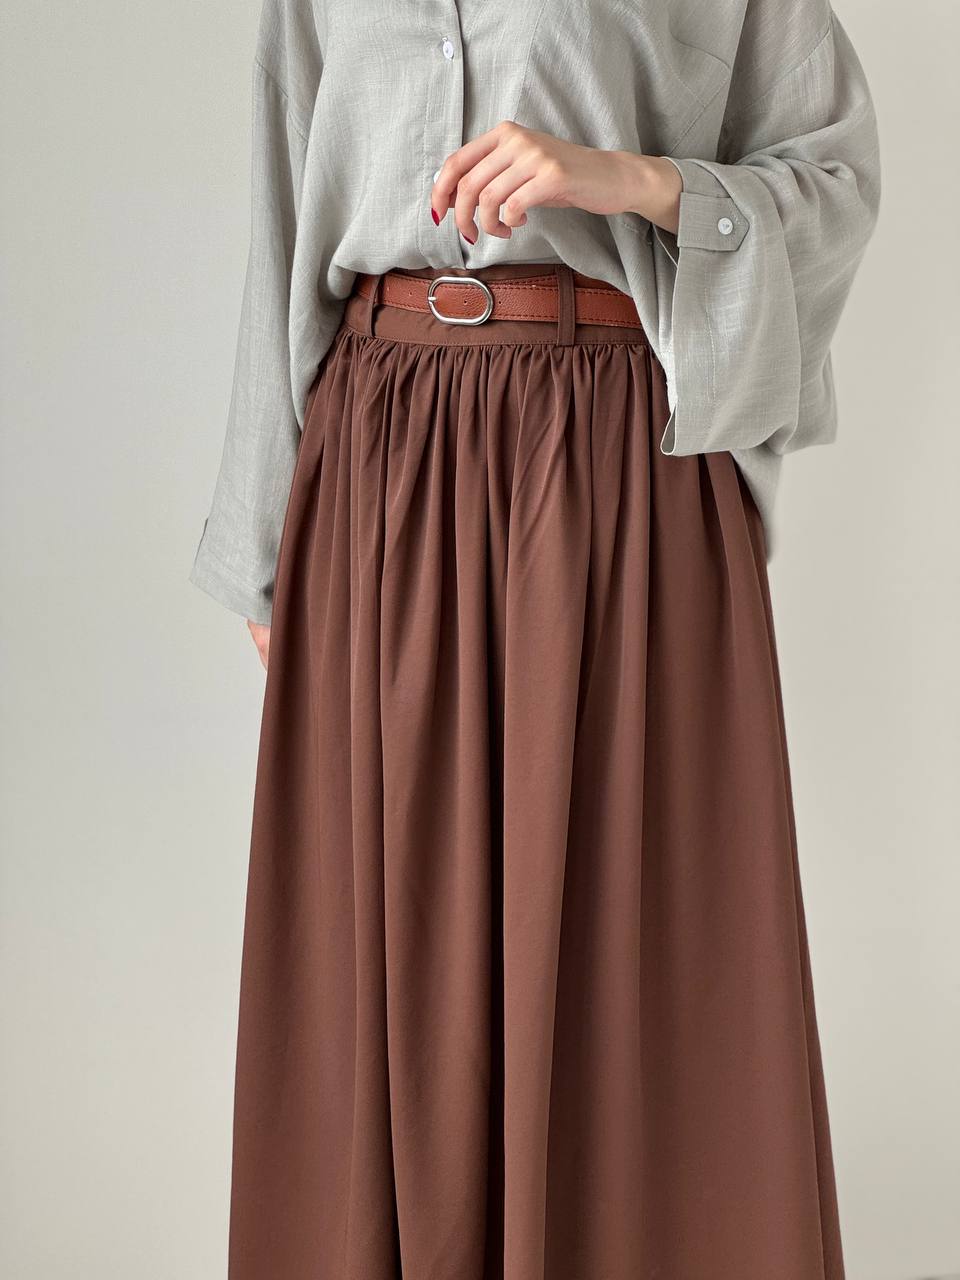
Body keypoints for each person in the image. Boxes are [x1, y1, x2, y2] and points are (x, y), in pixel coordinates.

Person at [189, 1, 881, 1276]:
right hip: (380, 463)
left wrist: (630, 180)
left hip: (616, 462)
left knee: (635, 956)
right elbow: (283, 201)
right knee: (391, 971)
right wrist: (263, 539)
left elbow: (832, 182)